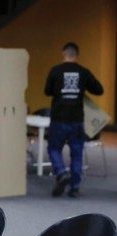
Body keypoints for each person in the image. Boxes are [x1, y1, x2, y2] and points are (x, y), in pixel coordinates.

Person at [44, 42, 103, 198]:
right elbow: (99, 89)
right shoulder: (83, 72)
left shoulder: (55, 71)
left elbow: (47, 91)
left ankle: (61, 173)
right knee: (76, 153)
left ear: (63, 54)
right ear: (77, 55)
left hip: (58, 118)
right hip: (77, 119)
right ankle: (74, 187)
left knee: (53, 148)